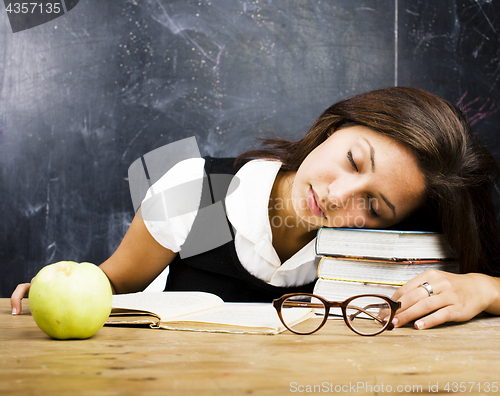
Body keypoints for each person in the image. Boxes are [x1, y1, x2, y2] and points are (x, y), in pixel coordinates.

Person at [11, 86, 500, 330]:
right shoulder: (198, 191)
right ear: (336, 127)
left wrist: (481, 287)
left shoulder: (394, 248)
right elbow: (118, 283)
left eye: (373, 205)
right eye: (352, 159)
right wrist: (62, 291)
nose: (337, 195)